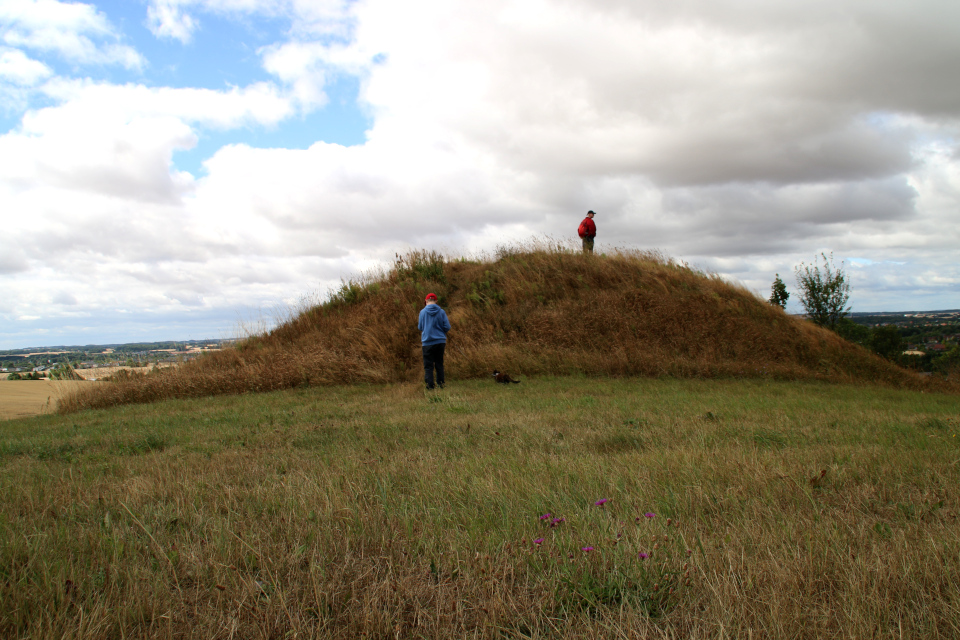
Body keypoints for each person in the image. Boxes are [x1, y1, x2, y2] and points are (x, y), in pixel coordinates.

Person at [418, 293, 450, 389]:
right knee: (439, 363)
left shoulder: (422, 312)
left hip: (427, 342)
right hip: (440, 341)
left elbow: (420, 327)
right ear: (436, 301)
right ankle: (441, 383)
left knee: (428, 365)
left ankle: (430, 385)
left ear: (426, 301)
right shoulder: (441, 312)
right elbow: (447, 327)